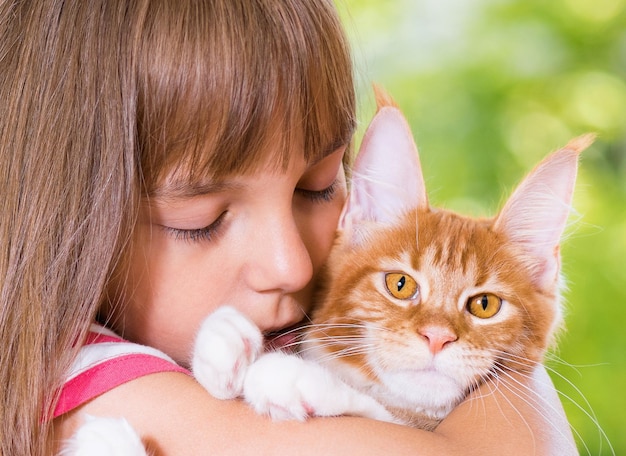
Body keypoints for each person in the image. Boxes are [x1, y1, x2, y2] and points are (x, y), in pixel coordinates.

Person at [0, 0, 576, 454]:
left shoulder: (315, 326)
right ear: (62, 227)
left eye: (320, 185)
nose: (293, 265)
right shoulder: (67, 373)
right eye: (200, 221)